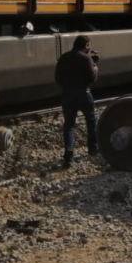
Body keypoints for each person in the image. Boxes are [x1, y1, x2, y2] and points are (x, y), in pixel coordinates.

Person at [54, 35, 99, 168]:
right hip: (84, 94)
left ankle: (69, 155)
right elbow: (92, 78)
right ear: (85, 45)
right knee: (91, 121)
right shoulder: (86, 58)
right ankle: (92, 149)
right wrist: (95, 67)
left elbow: (57, 77)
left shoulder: (63, 57)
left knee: (69, 125)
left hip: (68, 96)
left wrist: (66, 87)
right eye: (88, 45)